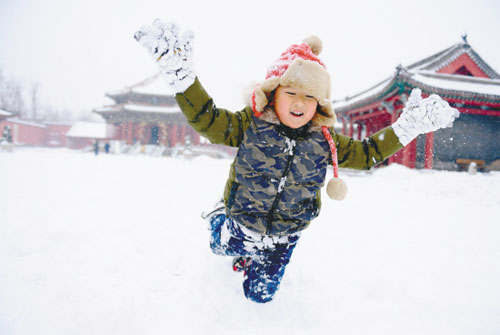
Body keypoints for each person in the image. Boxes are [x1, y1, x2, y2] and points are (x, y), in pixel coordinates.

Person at [135, 20, 459, 303]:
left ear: (319, 104)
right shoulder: (250, 125)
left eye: (310, 96)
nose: (300, 102)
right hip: (241, 221)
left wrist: (406, 128)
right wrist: (184, 80)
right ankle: (220, 217)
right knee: (221, 247)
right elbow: (208, 120)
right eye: (291, 92)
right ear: (273, 92)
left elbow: (366, 154)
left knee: (258, 296)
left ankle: (254, 264)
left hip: (284, 238)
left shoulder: (325, 141)